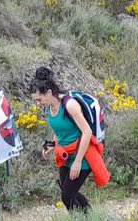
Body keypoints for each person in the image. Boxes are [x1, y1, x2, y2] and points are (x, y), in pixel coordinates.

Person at [29, 67, 96, 213]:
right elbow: (60, 131)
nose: (38, 103)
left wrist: (78, 162)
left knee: (67, 196)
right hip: (65, 155)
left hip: (81, 154)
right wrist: (52, 145)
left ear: (48, 92)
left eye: (39, 99)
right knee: (67, 191)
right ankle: (89, 216)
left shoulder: (70, 105)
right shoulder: (48, 108)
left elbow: (87, 132)